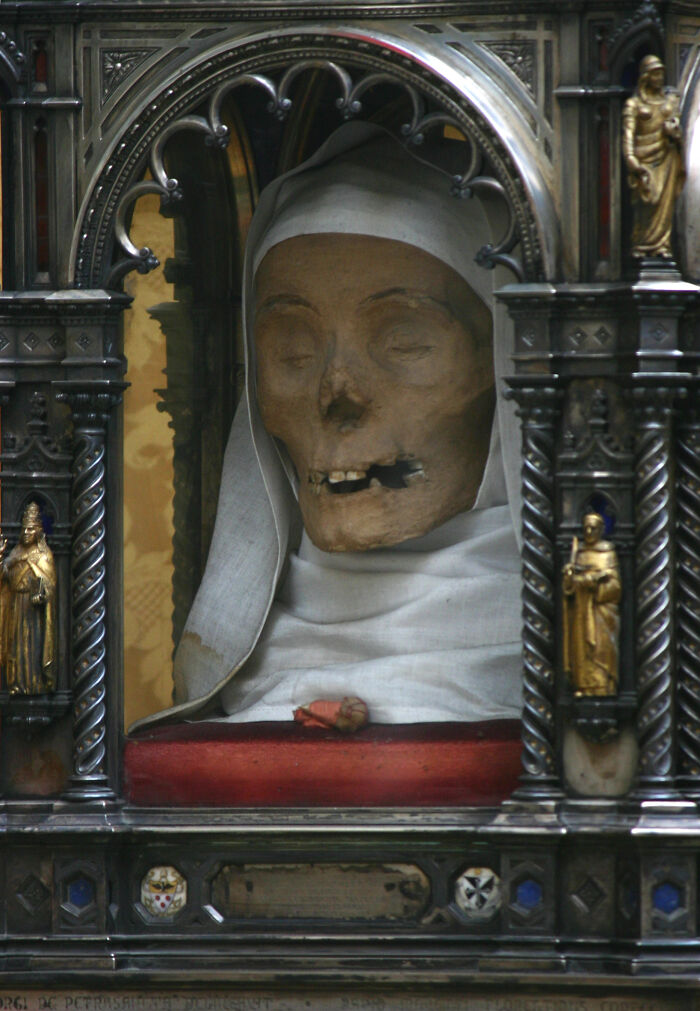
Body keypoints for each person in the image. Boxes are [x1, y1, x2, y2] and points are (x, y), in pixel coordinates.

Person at [132, 122, 522, 731]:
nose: (338, 394)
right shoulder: (247, 670)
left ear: (501, 368)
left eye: (403, 342)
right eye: (293, 352)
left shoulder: (560, 658)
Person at [622, 54, 685, 260]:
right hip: (643, 160)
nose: (659, 79)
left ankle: (661, 245)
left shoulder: (669, 101)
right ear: (645, 77)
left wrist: (674, 132)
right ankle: (642, 243)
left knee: (664, 205)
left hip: (666, 158)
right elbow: (628, 136)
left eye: (661, 74)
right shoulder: (634, 104)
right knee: (647, 202)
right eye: (655, 74)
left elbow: (678, 131)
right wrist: (631, 159)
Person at [0, 501, 57, 695]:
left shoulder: (44, 554)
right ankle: (16, 683)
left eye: (30, 529)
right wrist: (1, 560)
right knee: (16, 648)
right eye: (24, 529)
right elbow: (5, 577)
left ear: (39, 531)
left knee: (32, 648)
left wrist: (42, 595)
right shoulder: (15, 552)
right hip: (16, 607)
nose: (26, 533)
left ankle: (35, 684)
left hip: (33, 612)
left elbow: (49, 583)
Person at [562, 513, 620, 698]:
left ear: (601, 530)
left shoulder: (608, 553)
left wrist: (594, 584)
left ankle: (604, 688)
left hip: (601, 612)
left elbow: (616, 587)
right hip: (580, 609)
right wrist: (570, 578)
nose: (588, 532)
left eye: (593, 528)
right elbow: (567, 588)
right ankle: (583, 687)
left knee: (601, 649)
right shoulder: (578, 553)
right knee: (581, 650)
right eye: (586, 527)